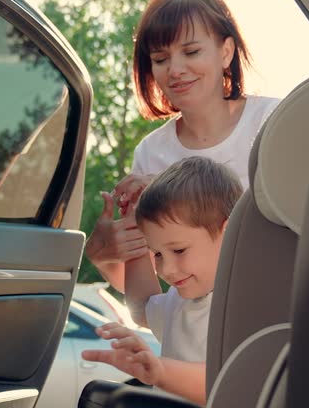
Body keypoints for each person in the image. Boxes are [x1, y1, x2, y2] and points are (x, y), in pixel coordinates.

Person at [85, 0, 279, 293]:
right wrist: (103, 256)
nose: (175, 70)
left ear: (225, 52)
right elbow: (155, 299)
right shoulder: (150, 153)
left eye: (191, 52)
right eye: (161, 59)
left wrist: (178, 196)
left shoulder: (275, 120)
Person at [81, 156, 243, 405]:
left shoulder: (242, 304)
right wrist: (134, 228)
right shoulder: (180, 301)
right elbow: (141, 307)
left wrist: (161, 370)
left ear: (230, 232)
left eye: (178, 251)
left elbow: (228, 383)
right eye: (156, 254)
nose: (165, 269)